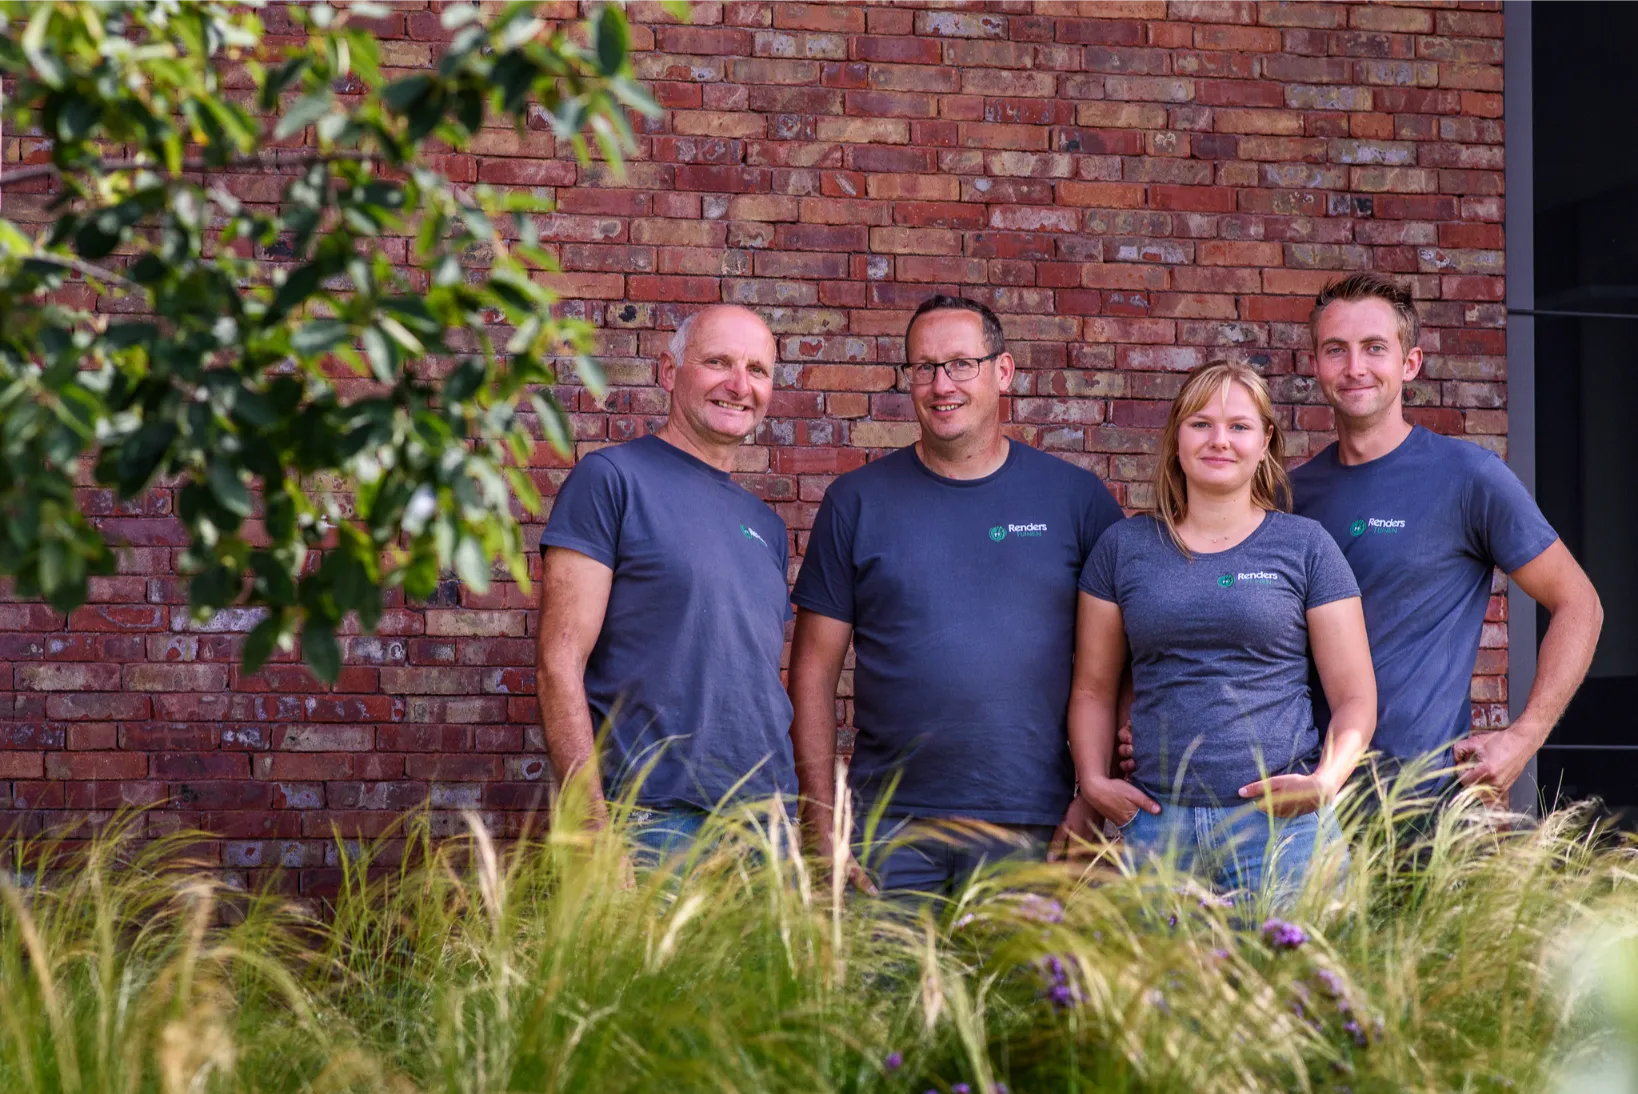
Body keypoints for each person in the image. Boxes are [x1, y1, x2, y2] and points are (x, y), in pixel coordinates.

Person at [787, 295, 1126, 897]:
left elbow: (1121, 668)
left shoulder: (1076, 501)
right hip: (883, 827)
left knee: (1019, 996)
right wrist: (820, 823)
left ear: (1003, 371)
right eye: (924, 367)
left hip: (1034, 824)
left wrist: (1092, 801)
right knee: (883, 993)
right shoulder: (856, 502)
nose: (942, 384)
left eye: (961, 364)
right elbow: (812, 675)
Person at [1291, 273, 1603, 808]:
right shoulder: (1290, 495)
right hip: (1305, 801)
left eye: (1374, 348)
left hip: (1425, 806)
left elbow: (1580, 604)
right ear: (1315, 365)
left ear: (1409, 364)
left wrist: (1523, 738)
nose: (1355, 367)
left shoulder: (1467, 477)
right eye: (1336, 350)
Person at [1072, 362, 1377, 900]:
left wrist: (1325, 783)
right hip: (1154, 827)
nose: (1220, 440)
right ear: (1176, 440)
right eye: (1201, 424)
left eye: (1239, 426)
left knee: (1300, 986)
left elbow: (1354, 694)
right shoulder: (1123, 549)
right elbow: (1094, 687)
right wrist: (1094, 782)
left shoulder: (1307, 546)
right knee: (1153, 987)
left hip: (1283, 830)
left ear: (1264, 444)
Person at [534, 304, 797, 861]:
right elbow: (558, 662)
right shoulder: (611, 481)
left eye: (757, 369)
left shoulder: (768, 527)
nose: (738, 384)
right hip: (654, 823)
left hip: (766, 828)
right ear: (666, 370)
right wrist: (591, 831)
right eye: (718, 362)